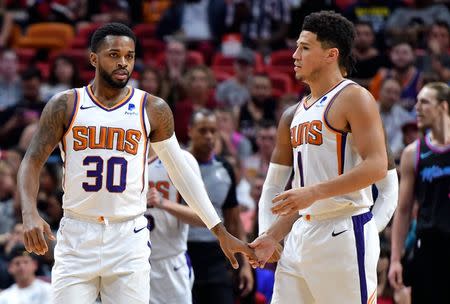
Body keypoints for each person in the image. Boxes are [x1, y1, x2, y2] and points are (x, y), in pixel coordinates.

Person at [17, 22, 254, 304]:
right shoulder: (65, 104)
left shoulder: (152, 108)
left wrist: (219, 229)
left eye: (129, 56)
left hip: (128, 237)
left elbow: (180, 171)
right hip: (77, 233)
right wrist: (29, 212)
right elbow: (31, 161)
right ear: (93, 58)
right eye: (114, 55)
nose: (123, 63)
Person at [248, 11, 389, 303]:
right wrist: (273, 234)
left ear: (331, 54)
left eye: (305, 47)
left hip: (344, 231)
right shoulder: (294, 113)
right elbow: (295, 191)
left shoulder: (354, 97)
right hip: (302, 233)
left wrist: (314, 192)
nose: (295, 54)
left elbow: (377, 166)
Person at [388, 82, 450, 303]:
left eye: (424, 102)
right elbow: (403, 210)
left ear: (443, 107)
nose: (417, 107)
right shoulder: (412, 153)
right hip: (428, 250)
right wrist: (396, 259)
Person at [186, 109, 254, 304]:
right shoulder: (177, 165)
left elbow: (233, 221)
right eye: (203, 130)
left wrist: (245, 266)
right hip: (183, 253)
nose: (209, 136)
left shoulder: (225, 168)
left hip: (216, 254)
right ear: (190, 131)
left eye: (213, 131)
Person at [146, 146, 204, 304]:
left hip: (169, 263)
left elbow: (204, 218)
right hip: (130, 260)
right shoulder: (125, 158)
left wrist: (163, 203)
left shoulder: (181, 159)